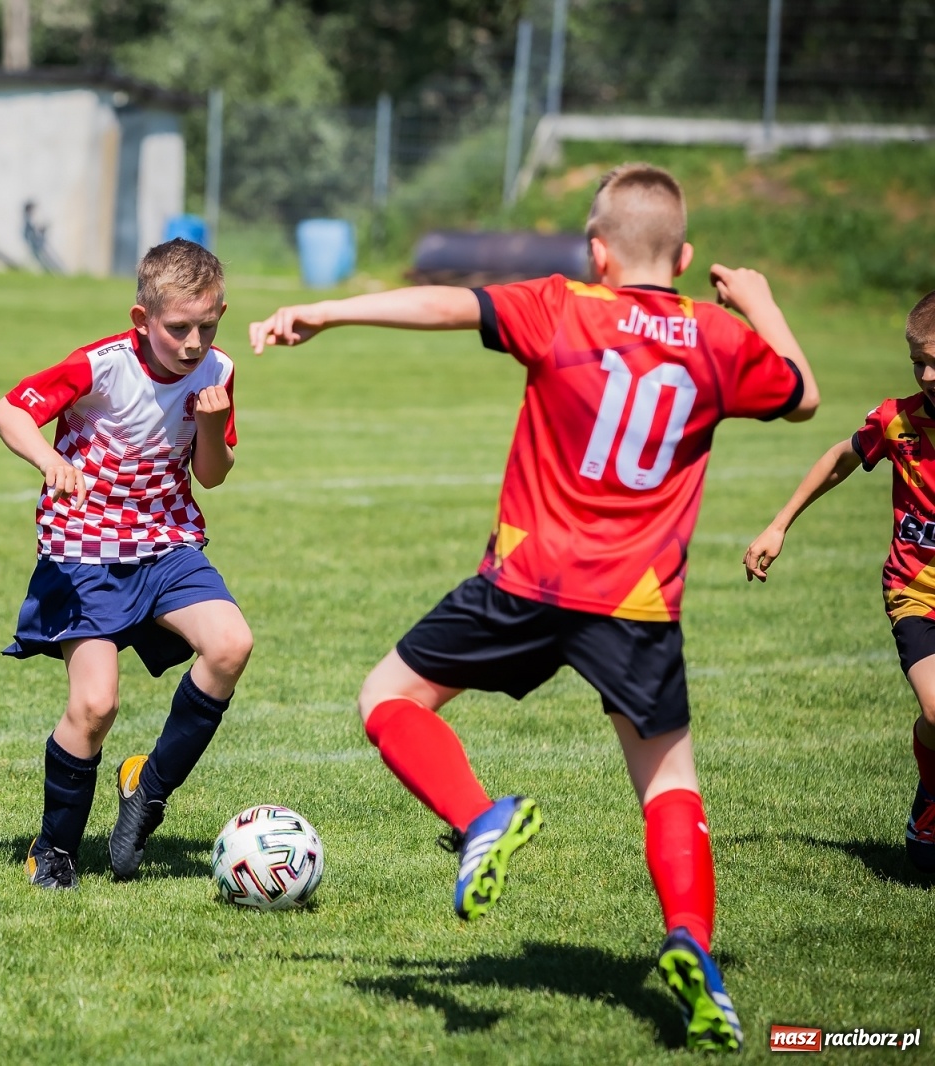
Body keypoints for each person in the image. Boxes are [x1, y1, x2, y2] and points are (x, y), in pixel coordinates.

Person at [248, 163, 818, 1052]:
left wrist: (329, 310)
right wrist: (758, 299)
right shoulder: (719, 339)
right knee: (668, 783)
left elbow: (450, 306)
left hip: (526, 580)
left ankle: (480, 818)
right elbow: (802, 393)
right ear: (687, 254)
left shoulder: (566, 307)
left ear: (598, 251)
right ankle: (691, 946)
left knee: (388, 700)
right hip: (636, 603)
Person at [0, 238, 253, 891]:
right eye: (178, 328)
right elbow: (9, 410)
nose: (194, 341)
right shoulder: (102, 365)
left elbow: (212, 476)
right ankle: (53, 850)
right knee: (96, 704)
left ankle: (148, 788)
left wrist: (214, 428)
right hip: (85, 550)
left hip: (166, 542)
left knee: (230, 645)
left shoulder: (215, 371)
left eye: (208, 325)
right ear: (143, 320)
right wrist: (49, 460)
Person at [743, 288, 935, 877]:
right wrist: (779, 524)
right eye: (916, 363)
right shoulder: (899, 422)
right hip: (916, 592)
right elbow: (839, 458)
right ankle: (931, 803)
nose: (925, 375)